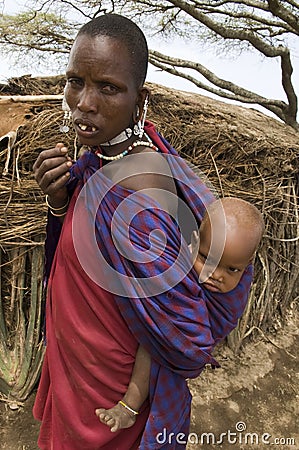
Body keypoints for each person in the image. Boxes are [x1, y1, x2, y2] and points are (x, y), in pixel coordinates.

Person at [32, 14, 254, 450]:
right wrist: (58, 201)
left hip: (105, 396)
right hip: (77, 366)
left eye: (108, 87)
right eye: (75, 80)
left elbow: (182, 335)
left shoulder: (140, 195)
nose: (84, 102)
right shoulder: (100, 158)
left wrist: (131, 401)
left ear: (140, 99)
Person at [96, 197, 264, 433]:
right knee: (155, 340)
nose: (215, 275)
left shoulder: (235, 292)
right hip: (152, 335)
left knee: (153, 348)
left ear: (248, 265)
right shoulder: (175, 265)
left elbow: (223, 319)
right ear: (193, 243)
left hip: (180, 341)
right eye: (206, 258)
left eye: (232, 269)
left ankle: (129, 407)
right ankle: (130, 404)